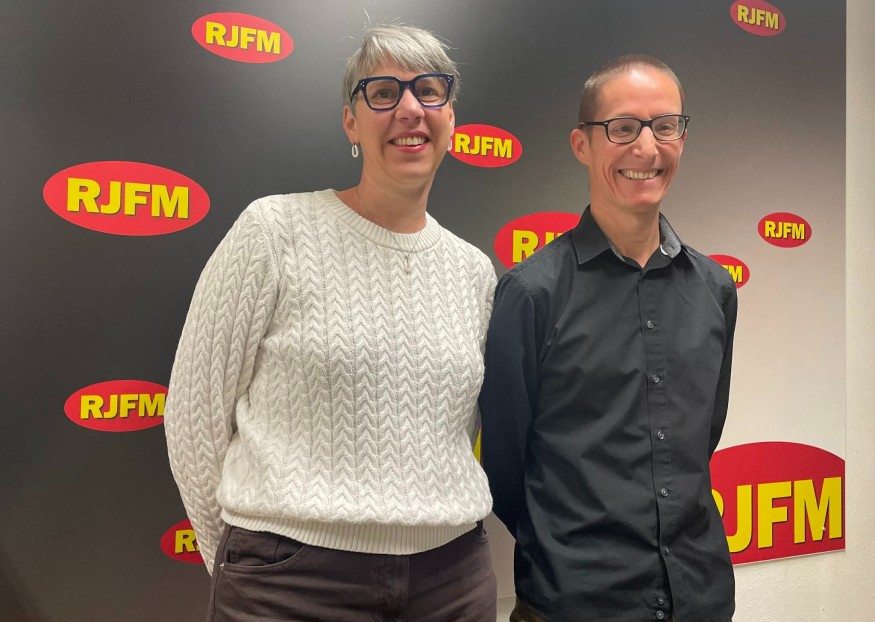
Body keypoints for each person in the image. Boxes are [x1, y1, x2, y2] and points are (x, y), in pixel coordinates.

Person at [164, 24, 497, 622]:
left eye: (429, 90)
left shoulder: (472, 271)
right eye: (383, 93)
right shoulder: (274, 233)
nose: (410, 109)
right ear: (350, 123)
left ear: (450, 117)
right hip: (290, 587)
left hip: (450, 583)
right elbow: (193, 421)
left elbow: (460, 429)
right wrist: (240, 568)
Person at [479, 55, 737, 622]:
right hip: (575, 602)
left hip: (700, 596)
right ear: (582, 144)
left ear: (682, 138)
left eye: (665, 126)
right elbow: (504, 465)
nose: (647, 148)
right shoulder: (532, 294)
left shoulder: (715, 289)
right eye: (622, 128)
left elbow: (703, 437)